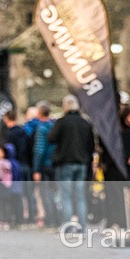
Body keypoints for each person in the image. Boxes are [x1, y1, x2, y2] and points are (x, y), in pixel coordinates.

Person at [48, 94, 95, 231]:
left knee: (65, 196)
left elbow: (50, 138)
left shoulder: (62, 122)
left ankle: (67, 226)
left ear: (65, 106)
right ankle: (82, 226)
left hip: (65, 162)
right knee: (80, 196)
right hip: (82, 163)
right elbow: (91, 145)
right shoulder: (85, 123)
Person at [4, 110, 34, 225]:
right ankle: (31, 217)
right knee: (28, 193)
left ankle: (18, 217)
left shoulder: (8, 134)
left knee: (16, 193)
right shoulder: (24, 132)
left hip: (15, 166)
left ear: (6, 118)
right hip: (26, 164)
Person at [32, 102, 59, 228]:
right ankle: (58, 218)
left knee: (45, 193)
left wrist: (36, 169)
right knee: (55, 192)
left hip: (45, 164)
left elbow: (39, 149)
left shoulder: (41, 128)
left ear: (39, 113)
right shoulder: (55, 126)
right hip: (56, 163)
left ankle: (51, 219)